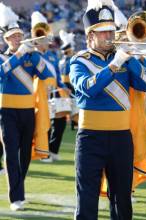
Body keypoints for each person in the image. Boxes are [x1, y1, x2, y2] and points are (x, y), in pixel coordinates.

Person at [69, 0, 146, 219]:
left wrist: (131, 58)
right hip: (90, 138)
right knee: (87, 197)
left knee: (122, 199)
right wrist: (115, 64)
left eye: (111, 31)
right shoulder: (79, 61)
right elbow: (89, 88)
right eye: (103, 32)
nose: (110, 36)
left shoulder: (125, 59)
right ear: (90, 36)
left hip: (121, 138)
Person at [0, 3, 55, 211]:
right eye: (13, 37)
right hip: (6, 112)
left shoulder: (31, 57)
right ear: (6, 39)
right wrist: (19, 55)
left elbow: (48, 76)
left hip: (28, 112)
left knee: (24, 155)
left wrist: (36, 54)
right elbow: (1, 72)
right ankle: (16, 197)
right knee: (11, 154)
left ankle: (18, 186)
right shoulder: (4, 58)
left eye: (19, 36)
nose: (17, 39)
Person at [30, 12, 70, 162]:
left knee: (59, 123)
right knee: (41, 123)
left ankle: (52, 150)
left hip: (54, 93)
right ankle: (42, 152)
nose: (45, 39)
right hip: (38, 94)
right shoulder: (31, 54)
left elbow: (57, 76)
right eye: (41, 35)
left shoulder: (52, 55)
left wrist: (62, 87)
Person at [59, 30, 78, 130]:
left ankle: (72, 123)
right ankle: (74, 123)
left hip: (64, 83)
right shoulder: (68, 60)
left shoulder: (62, 60)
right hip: (68, 83)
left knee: (70, 103)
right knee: (73, 103)